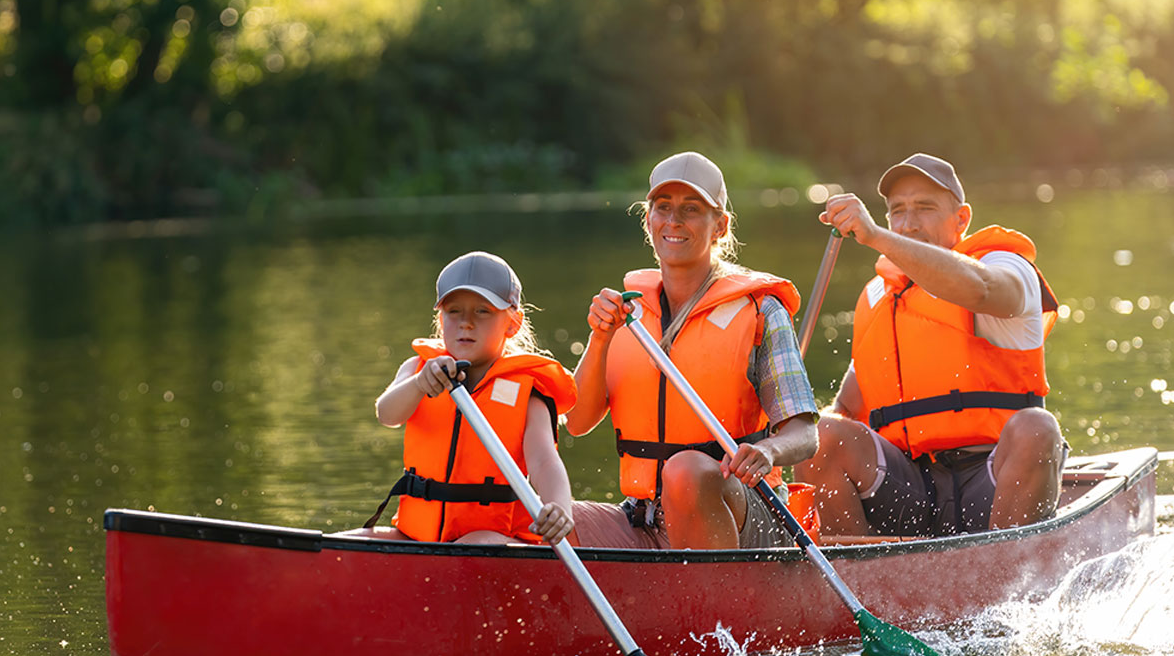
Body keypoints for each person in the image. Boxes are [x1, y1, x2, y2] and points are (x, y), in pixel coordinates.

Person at [796, 153, 1065, 541]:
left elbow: (983, 289)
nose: (908, 223)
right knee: (820, 434)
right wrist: (781, 446)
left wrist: (876, 237)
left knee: (1037, 428)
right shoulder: (880, 298)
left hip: (991, 480)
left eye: (924, 208)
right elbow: (844, 411)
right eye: (898, 211)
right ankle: (853, 576)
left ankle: (1008, 578)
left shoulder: (1007, 265)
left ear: (961, 219)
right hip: (909, 489)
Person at [568, 151, 819, 550]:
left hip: (747, 513)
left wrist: (768, 450)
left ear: (719, 226)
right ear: (647, 220)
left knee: (685, 471)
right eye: (663, 208)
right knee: (549, 515)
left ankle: (718, 609)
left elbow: (804, 433)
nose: (674, 221)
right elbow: (578, 421)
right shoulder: (627, 314)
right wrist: (599, 338)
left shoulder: (760, 311)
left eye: (691, 209)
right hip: (644, 516)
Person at [373, 251, 577, 545]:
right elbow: (387, 414)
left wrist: (559, 506)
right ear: (440, 321)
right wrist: (419, 384)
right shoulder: (417, 370)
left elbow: (544, 460)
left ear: (512, 324)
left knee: (476, 543)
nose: (466, 323)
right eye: (454, 311)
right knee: (358, 541)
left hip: (494, 538)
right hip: (416, 535)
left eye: (482, 311)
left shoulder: (529, 393)